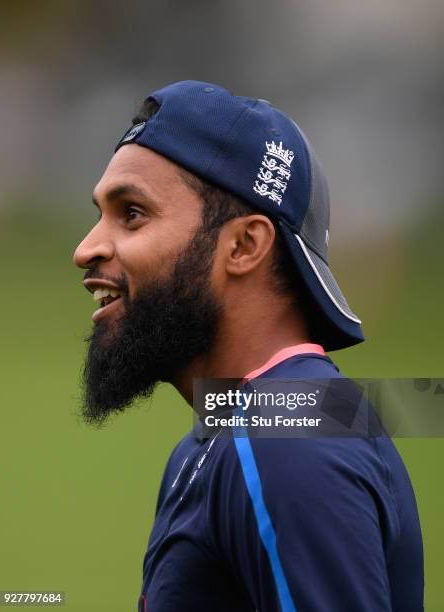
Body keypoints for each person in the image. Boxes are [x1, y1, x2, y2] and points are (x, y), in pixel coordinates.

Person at [73, 80, 424, 611]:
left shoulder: (287, 445)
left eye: (133, 214)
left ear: (243, 245)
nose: (86, 249)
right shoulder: (229, 435)